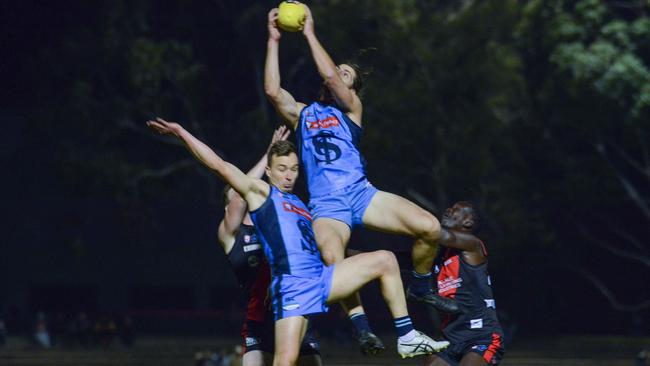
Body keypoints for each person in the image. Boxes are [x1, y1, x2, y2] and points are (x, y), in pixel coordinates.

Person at [147, 118, 449, 366]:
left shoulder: (305, 207)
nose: (289, 175)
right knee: (285, 361)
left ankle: (407, 336)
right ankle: (368, 329)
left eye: (294, 169)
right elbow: (219, 165)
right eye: (281, 169)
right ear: (268, 170)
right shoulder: (262, 194)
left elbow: (333, 251)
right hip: (292, 286)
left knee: (384, 260)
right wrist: (182, 132)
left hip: (320, 279)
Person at [263, 2, 458, 354]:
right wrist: (273, 40)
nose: (338, 75)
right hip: (326, 205)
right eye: (338, 71)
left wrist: (309, 33)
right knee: (332, 255)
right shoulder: (303, 115)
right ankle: (362, 327)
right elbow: (273, 92)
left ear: (352, 88)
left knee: (429, 227)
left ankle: (421, 283)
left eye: (346, 75)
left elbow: (331, 80)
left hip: (361, 194)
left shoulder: (351, 110)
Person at [218, 126, 322, 365]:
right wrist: (268, 154)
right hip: (258, 323)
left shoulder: (277, 222)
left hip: (295, 312)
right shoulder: (229, 234)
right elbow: (241, 190)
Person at [422, 202, 505, 366]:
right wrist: (359, 255)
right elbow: (396, 259)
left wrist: (403, 218)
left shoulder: (472, 245)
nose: (447, 211)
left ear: (468, 222)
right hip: (451, 337)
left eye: (456, 210)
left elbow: (437, 235)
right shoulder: (438, 256)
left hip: (481, 335)